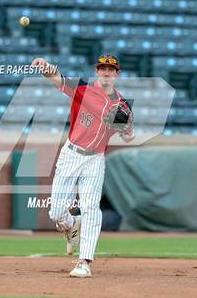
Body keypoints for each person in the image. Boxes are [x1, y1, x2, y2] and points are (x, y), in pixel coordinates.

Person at [30, 54, 134, 278]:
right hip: (71, 153)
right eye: (103, 69)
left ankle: (84, 262)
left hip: (95, 159)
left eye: (111, 70)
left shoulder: (122, 105)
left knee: (91, 208)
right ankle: (71, 224)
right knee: (56, 212)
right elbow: (57, 78)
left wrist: (128, 130)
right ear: (97, 71)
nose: (106, 73)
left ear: (117, 74)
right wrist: (46, 66)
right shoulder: (82, 88)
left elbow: (127, 136)